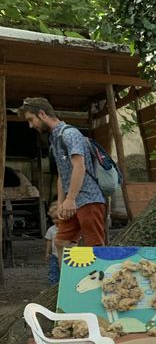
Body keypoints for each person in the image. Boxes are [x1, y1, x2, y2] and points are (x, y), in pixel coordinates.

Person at [18, 98, 105, 264]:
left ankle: (96, 284)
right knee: (61, 242)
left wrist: (71, 199)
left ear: (42, 114)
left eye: (31, 119)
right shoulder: (54, 139)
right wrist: (61, 202)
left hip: (88, 199)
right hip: (70, 201)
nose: (31, 125)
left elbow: (79, 166)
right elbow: (62, 174)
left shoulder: (70, 134)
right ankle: (69, 284)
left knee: (95, 247)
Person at [44, 202, 60, 286]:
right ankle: (52, 286)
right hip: (54, 255)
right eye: (53, 219)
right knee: (53, 271)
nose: (56, 221)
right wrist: (47, 253)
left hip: (66, 255)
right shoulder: (51, 230)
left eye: (58, 218)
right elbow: (49, 241)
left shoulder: (68, 230)